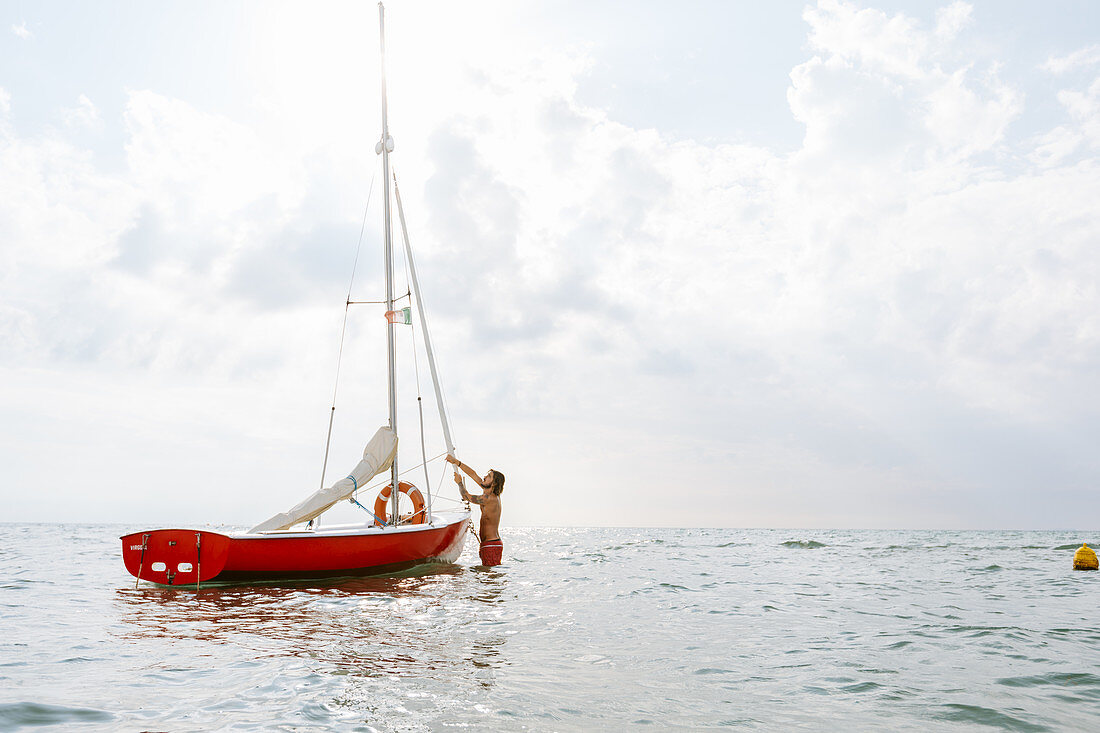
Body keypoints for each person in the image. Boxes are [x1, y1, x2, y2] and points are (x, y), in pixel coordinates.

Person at [447, 454, 505, 566]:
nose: (484, 477)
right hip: (488, 544)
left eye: (488, 476)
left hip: (491, 545)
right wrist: (456, 462)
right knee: (485, 577)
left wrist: (459, 483)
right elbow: (473, 474)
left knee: (488, 579)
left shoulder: (489, 498)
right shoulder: (487, 490)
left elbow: (466, 496)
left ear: (494, 483)